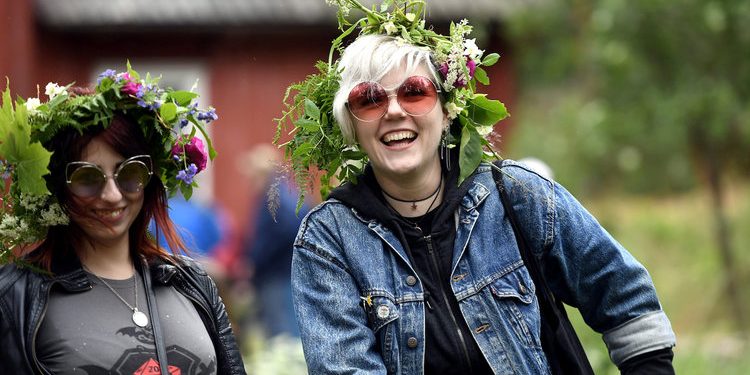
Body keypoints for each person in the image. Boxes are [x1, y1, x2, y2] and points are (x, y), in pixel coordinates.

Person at [274, 1, 676, 374]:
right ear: (352, 125)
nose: (394, 110)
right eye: (370, 99)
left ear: (448, 111)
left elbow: (624, 296)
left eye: (415, 92)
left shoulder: (517, 196)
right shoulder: (330, 242)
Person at [0, 66, 246, 374]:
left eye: (129, 172)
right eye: (88, 177)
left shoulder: (191, 284)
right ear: (55, 187)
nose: (113, 195)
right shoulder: (14, 297)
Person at [240, 144, 309, 339]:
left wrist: (256, 260)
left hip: (279, 275)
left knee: (283, 333)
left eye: (252, 173)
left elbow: (287, 229)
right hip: (284, 273)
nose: (250, 179)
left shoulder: (276, 196)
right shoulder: (287, 191)